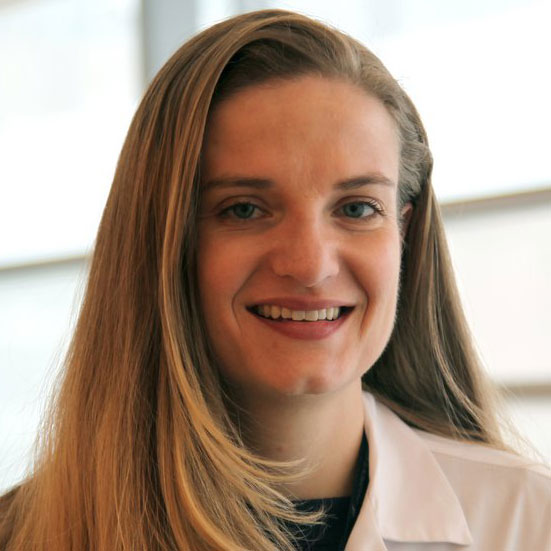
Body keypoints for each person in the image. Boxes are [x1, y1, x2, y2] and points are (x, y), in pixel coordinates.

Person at [0, 9, 549, 551]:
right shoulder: (19, 534)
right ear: (162, 242)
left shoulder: (530, 522)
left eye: (357, 208)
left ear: (403, 233)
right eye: (244, 209)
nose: (310, 265)